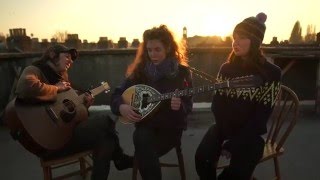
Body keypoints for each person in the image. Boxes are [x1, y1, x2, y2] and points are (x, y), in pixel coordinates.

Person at [13, 44, 132, 180]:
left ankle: (119, 160)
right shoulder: (35, 70)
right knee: (105, 122)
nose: (70, 61)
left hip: (65, 136)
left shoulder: (63, 79)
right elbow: (24, 87)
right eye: (67, 56)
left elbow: (70, 115)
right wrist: (56, 88)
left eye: (72, 59)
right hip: (47, 143)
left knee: (106, 140)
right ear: (52, 55)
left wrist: (84, 105)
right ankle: (120, 158)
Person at [195, 12, 282, 180]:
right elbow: (217, 105)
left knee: (236, 174)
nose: (236, 42)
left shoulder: (272, 73)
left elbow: (261, 116)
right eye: (235, 37)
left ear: (255, 41)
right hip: (223, 127)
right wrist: (225, 133)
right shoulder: (226, 69)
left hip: (250, 134)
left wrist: (236, 142)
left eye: (242, 38)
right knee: (202, 159)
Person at [110, 25, 193, 180]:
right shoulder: (141, 72)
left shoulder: (182, 72)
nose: (153, 54)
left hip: (170, 129)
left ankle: (135, 161)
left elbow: (188, 106)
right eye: (149, 50)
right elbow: (116, 95)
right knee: (142, 138)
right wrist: (121, 107)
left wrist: (179, 106)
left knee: (143, 148)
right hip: (146, 127)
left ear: (167, 48)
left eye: (157, 49)